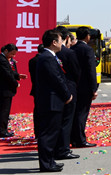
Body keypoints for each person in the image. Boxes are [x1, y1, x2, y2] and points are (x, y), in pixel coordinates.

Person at [36, 29, 72, 172]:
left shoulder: (48, 56)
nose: (62, 43)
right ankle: (46, 164)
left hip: (52, 101)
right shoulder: (47, 57)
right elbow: (56, 79)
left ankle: (50, 161)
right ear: (54, 42)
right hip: (51, 101)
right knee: (48, 134)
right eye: (60, 40)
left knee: (52, 133)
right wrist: (67, 95)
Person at [54, 27, 81, 160]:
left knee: (58, 121)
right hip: (69, 89)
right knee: (66, 122)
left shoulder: (53, 53)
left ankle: (58, 148)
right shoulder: (69, 53)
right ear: (67, 38)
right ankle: (63, 150)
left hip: (56, 91)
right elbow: (76, 73)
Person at [70, 27, 98, 148]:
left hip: (73, 86)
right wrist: (94, 88)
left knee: (75, 113)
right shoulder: (87, 49)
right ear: (87, 36)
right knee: (82, 114)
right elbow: (91, 70)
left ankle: (74, 139)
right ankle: (81, 140)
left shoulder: (72, 49)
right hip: (85, 87)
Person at [0, 43, 27, 138]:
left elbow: (11, 72)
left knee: (6, 111)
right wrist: (16, 83)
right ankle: (2, 132)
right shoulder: (1, 60)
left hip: (7, 90)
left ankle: (4, 129)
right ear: (6, 51)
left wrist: (18, 76)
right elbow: (7, 75)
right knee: (4, 111)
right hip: (4, 89)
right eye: (12, 54)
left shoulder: (6, 60)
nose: (13, 56)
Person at [29, 44, 45, 139]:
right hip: (44, 89)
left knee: (37, 111)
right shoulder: (43, 60)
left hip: (35, 88)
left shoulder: (32, 61)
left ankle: (37, 132)